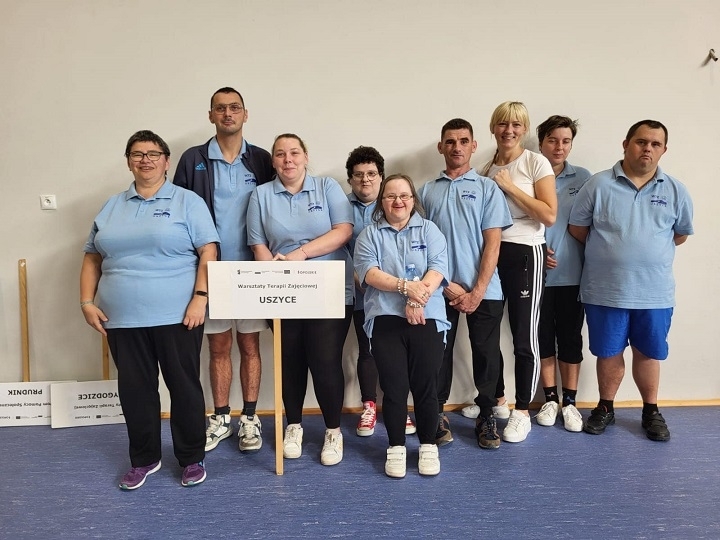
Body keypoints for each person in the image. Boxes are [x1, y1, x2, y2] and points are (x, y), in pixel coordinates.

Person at [80, 130, 219, 489]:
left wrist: (201, 297)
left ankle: (191, 457)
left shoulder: (187, 202)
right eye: (137, 154)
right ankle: (144, 459)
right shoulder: (112, 205)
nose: (145, 160)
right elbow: (92, 257)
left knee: (184, 387)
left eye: (153, 154)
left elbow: (208, 251)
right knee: (135, 391)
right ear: (128, 161)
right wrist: (86, 302)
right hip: (121, 318)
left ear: (166, 161)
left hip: (178, 315)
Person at [568, 120, 693, 442]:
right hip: (605, 290)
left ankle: (651, 410)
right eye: (641, 142)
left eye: (655, 144)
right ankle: (605, 407)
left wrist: (644, 251)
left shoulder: (676, 190)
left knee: (648, 353)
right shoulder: (597, 185)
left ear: (663, 150)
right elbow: (578, 229)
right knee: (608, 352)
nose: (647, 148)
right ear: (626, 144)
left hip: (654, 293)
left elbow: (680, 234)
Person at [174, 87, 274, 453]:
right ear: (211, 115)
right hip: (210, 271)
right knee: (218, 346)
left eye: (234, 108)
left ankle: (249, 418)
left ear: (245, 114)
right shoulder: (194, 159)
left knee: (249, 344)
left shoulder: (261, 159)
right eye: (220, 108)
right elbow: (180, 212)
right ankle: (220, 418)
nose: (228, 113)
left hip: (252, 272)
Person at [247, 133, 354, 465]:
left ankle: (333, 431)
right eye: (280, 154)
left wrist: (301, 254)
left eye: (294, 152)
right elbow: (258, 244)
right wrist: (275, 275)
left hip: (329, 290)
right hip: (283, 292)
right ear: (273, 161)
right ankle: (293, 426)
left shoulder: (327, 187)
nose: (288, 159)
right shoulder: (261, 195)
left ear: (306, 156)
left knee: (324, 361)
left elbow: (343, 231)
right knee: (289, 361)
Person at [418, 119, 512, 449]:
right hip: (438, 289)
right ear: (440, 147)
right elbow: (422, 245)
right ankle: (436, 413)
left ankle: (487, 414)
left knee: (486, 353)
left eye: (463, 141)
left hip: (485, 290)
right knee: (437, 354)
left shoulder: (488, 188)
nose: (456, 147)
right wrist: (445, 284)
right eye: (450, 141)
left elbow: (493, 243)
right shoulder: (426, 191)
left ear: (473, 146)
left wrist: (477, 291)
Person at [354, 174, 450, 477]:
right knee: (394, 388)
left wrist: (417, 300)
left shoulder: (430, 229)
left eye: (404, 196)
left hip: (428, 317)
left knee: (426, 386)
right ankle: (395, 446)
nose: (398, 201)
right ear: (382, 201)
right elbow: (369, 273)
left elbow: (438, 268)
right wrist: (406, 288)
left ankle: (428, 446)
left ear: (413, 200)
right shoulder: (369, 234)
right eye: (391, 196)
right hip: (385, 319)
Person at [480, 101, 557, 443]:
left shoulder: (535, 162)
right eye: (502, 124)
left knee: (524, 335)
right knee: (488, 334)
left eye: (516, 125)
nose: (508, 130)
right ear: (493, 128)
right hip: (492, 253)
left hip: (526, 252)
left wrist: (510, 186)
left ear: (524, 129)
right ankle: (497, 400)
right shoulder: (485, 169)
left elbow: (549, 215)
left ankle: (523, 410)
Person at [345, 146, 417, 437]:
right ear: (350, 179)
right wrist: (358, 276)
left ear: (381, 177)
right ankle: (369, 406)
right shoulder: (341, 206)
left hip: (396, 295)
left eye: (371, 174)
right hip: (359, 291)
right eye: (359, 174)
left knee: (396, 353)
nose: (365, 179)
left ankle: (397, 406)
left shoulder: (395, 204)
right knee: (367, 350)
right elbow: (339, 246)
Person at [534, 115, 592, 432]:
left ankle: (570, 402)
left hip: (573, 275)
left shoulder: (583, 178)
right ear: (541, 142)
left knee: (570, 339)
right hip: (535, 277)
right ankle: (550, 399)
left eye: (566, 141)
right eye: (553, 140)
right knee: (542, 338)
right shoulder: (528, 175)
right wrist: (536, 250)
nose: (559, 147)